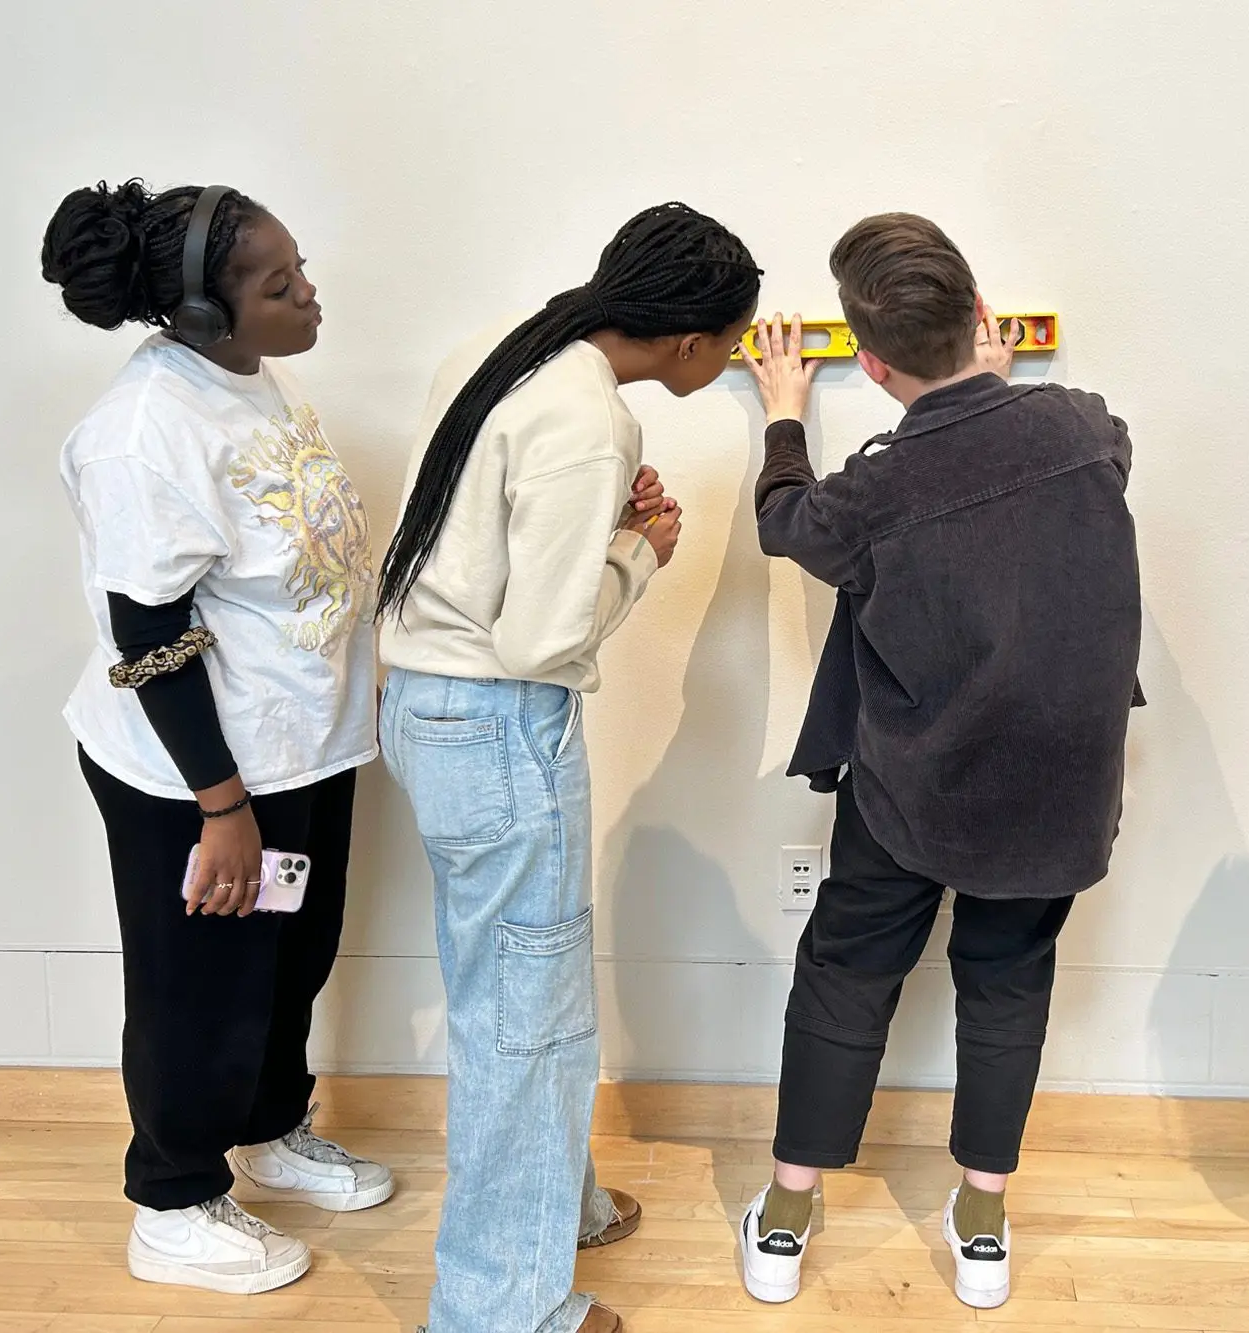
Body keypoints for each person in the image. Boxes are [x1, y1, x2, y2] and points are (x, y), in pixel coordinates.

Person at [734, 214, 1143, 1311]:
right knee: (1007, 978)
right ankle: (981, 1221)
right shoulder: (1082, 427)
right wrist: (995, 390)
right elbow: (1068, 450)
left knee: (847, 968)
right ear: (978, 318)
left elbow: (787, 524)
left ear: (867, 365)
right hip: (1055, 781)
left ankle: (784, 1216)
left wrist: (782, 415)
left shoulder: (875, 488)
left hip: (912, 782)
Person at [376, 202, 760, 1333]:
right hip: (499, 727)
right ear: (690, 344)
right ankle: (497, 1310)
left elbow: (474, 552)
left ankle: (562, 1203)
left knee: (507, 988)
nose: (732, 358)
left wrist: (597, 537)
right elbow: (541, 640)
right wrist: (637, 550)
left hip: (430, 710)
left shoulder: (507, 347)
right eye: (732, 342)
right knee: (524, 1019)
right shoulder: (590, 424)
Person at [43, 179, 393, 1295]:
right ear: (202, 314)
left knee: (286, 957)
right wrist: (221, 808)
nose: (308, 294)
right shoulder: (144, 433)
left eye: (301, 269)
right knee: (197, 985)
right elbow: (146, 632)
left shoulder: (246, 376)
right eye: (278, 284)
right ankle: (175, 1196)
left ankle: (268, 1131)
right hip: (194, 776)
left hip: (297, 749)